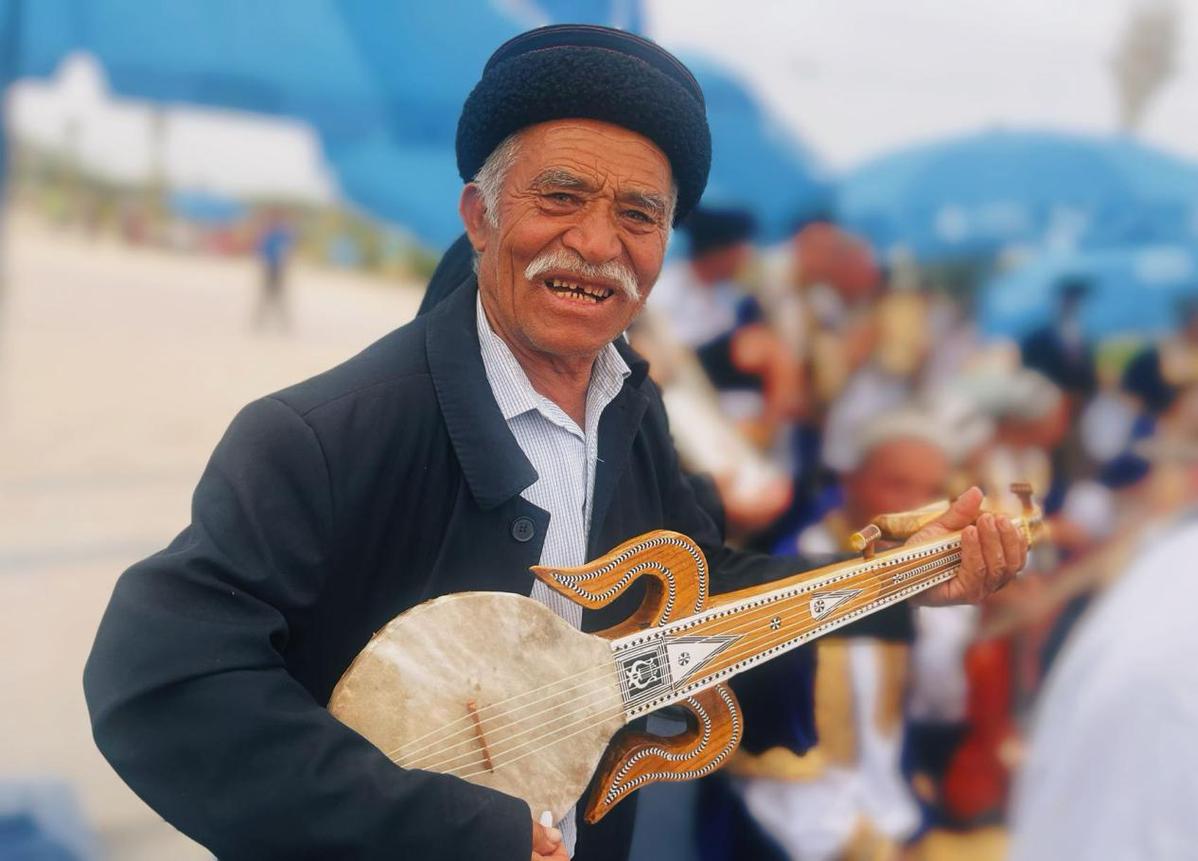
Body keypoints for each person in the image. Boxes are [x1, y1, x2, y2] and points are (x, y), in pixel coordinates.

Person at [83, 25, 1026, 861]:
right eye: (561, 195)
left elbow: (695, 590)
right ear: (479, 216)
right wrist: (461, 834)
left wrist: (897, 578)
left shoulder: (630, 412)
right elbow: (161, 683)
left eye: (638, 215)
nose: (597, 242)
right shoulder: (323, 436)